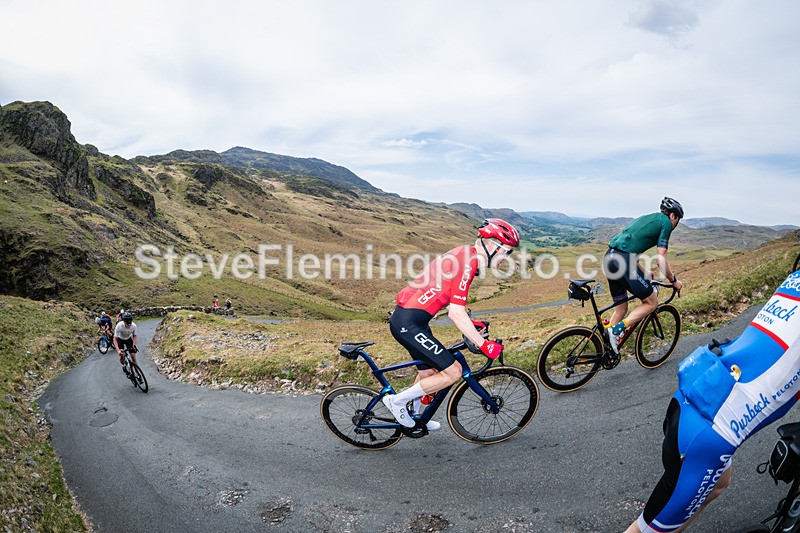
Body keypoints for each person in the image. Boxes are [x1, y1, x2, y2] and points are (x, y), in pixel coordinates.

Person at [626, 270, 800, 532]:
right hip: (706, 436)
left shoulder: (795, 279)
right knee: (647, 529)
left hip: (695, 389)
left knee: (719, 484)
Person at [382, 218, 520, 430]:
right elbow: (455, 313)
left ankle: (413, 417)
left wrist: (471, 323)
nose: (506, 258)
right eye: (506, 251)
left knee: (428, 374)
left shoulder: (464, 253)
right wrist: (485, 346)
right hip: (409, 324)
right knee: (453, 372)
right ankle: (397, 402)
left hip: (412, 319)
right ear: (492, 245)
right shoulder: (469, 262)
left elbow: (447, 299)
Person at [603, 197, 685, 353]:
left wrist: (644, 272)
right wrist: (673, 280)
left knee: (621, 309)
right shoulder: (665, 223)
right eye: (678, 220)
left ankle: (605, 350)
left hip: (610, 258)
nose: (675, 225)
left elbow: (630, 248)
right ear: (673, 216)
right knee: (651, 303)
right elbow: (661, 260)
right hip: (623, 261)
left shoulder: (648, 218)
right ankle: (614, 332)